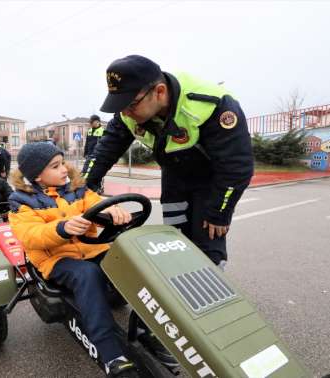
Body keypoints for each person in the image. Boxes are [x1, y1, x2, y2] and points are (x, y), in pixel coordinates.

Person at [86, 55, 254, 268]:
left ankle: (207, 294)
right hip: (174, 176)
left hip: (212, 181)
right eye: (120, 106)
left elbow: (237, 166)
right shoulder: (127, 112)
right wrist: (81, 187)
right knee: (174, 242)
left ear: (160, 92)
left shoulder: (211, 105)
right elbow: (103, 153)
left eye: (131, 105)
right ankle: (177, 289)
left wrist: (220, 213)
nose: (125, 112)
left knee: (207, 246)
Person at [8, 142, 137, 378]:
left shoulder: (78, 189)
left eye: (63, 162)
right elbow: (31, 237)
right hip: (56, 260)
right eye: (55, 166)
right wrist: (62, 228)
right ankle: (111, 355)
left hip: (91, 250)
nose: (64, 169)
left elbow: (97, 203)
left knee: (131, 260)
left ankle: (151, 330)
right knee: (87, 274)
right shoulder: (21, 202)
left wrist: (113, 212)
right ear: (37, 175)